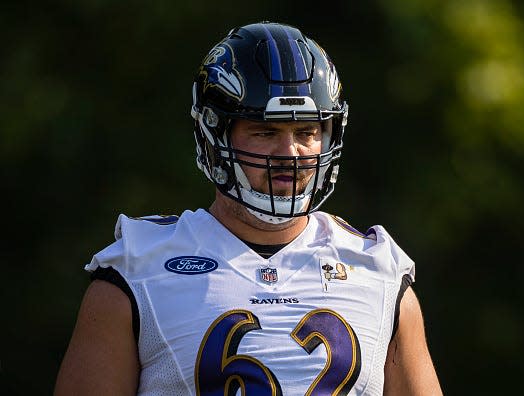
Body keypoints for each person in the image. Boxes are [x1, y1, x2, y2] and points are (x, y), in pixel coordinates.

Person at [54, 22, 442, 396]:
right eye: (265, 132)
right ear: (214, 134)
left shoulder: (378, 270)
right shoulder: (137, 271)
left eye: (306, 132)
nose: (290, 153)